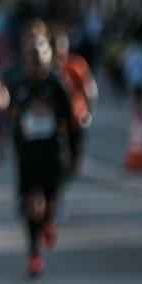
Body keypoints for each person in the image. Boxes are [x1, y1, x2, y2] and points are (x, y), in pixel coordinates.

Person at [0, 37, 78, 278]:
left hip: (53, 154)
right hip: (27, 156)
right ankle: (34, 254)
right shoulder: (18, 86)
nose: (37, 67)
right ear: (25, 64)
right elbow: (7, 115)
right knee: (32, 205)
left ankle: (48, 221)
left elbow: (71, 119)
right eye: (32, 62)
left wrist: (50, 110)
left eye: (41, 62)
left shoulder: (56, 85)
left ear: (48, 61)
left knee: (49, 202)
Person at [53, 30, 97, 177]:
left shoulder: (76, 65)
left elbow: (89, 89)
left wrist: (89, 112)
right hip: (58, 121)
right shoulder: (48, 68)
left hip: (76, 117)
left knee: (74, 157)